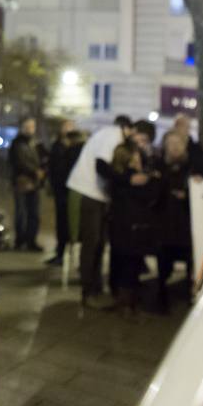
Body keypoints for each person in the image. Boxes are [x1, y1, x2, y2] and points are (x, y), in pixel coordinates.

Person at [66, 114, 133, 309]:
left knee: (98, 244)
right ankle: (88, 292)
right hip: (88, 191)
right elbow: (101, 165)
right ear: (128, 129)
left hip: (96, 194)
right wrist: (124, 180)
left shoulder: (111, 135)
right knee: (92, 243)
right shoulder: (113, 134)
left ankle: (95, 287)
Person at [106, 120, 160, 317]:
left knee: (131, 261)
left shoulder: (147, 166)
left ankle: (128, 299)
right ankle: (124, 300)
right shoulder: (124, 173)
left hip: (137, 223)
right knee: (124, 260)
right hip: (125, 222)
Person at [153, 130, 193, 311]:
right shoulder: (158, 167)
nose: (175, 147)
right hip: (165, 224)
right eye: (171, 143)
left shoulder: (192, 168)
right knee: (163, 263)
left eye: (179, 143)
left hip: (185, 225)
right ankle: (161, 297)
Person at [45, 120, 82, 266]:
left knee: (66, 223)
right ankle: (61, 252)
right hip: (62, 190)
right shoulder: (59, 146)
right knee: (63, 223)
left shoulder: (71, 149)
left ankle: (62, 252)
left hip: (67, 191)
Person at [9, 118, 44, 252]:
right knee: (22, 213)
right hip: (22, 182)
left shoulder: (34, 143)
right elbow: (18, 162)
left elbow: (41, 159)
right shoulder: (17, 143)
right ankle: (20, 240)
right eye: (27, 126)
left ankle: (31, 240)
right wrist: (34, 171)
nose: (30, 129)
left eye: (32, 126)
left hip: (34, 183)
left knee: (33, 213)